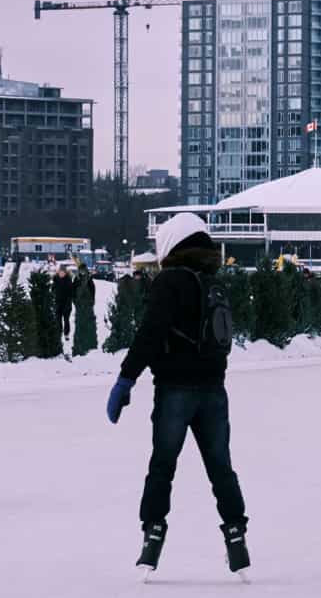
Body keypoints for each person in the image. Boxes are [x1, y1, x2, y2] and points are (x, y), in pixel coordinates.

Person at [107, 214, 248, 577]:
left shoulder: (170, 282)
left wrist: (126, 378)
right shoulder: (213, 282)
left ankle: (152, 537)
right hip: (214, 392)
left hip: (174, 391)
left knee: (162, 467)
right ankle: (237, 537)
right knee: (221, 468)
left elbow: (151, 333)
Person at [55, 264, 76, 338]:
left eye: (63, 272)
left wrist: (68, 304)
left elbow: (71, 294)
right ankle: (59, 332)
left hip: (66, 304)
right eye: (60, 272)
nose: (61, 274)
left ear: (65, 272)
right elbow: (53, 289)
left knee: (66, 320)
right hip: (58, 303)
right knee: (58, 319)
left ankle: (66, 334)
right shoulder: (56, 279)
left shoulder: (68, 281)